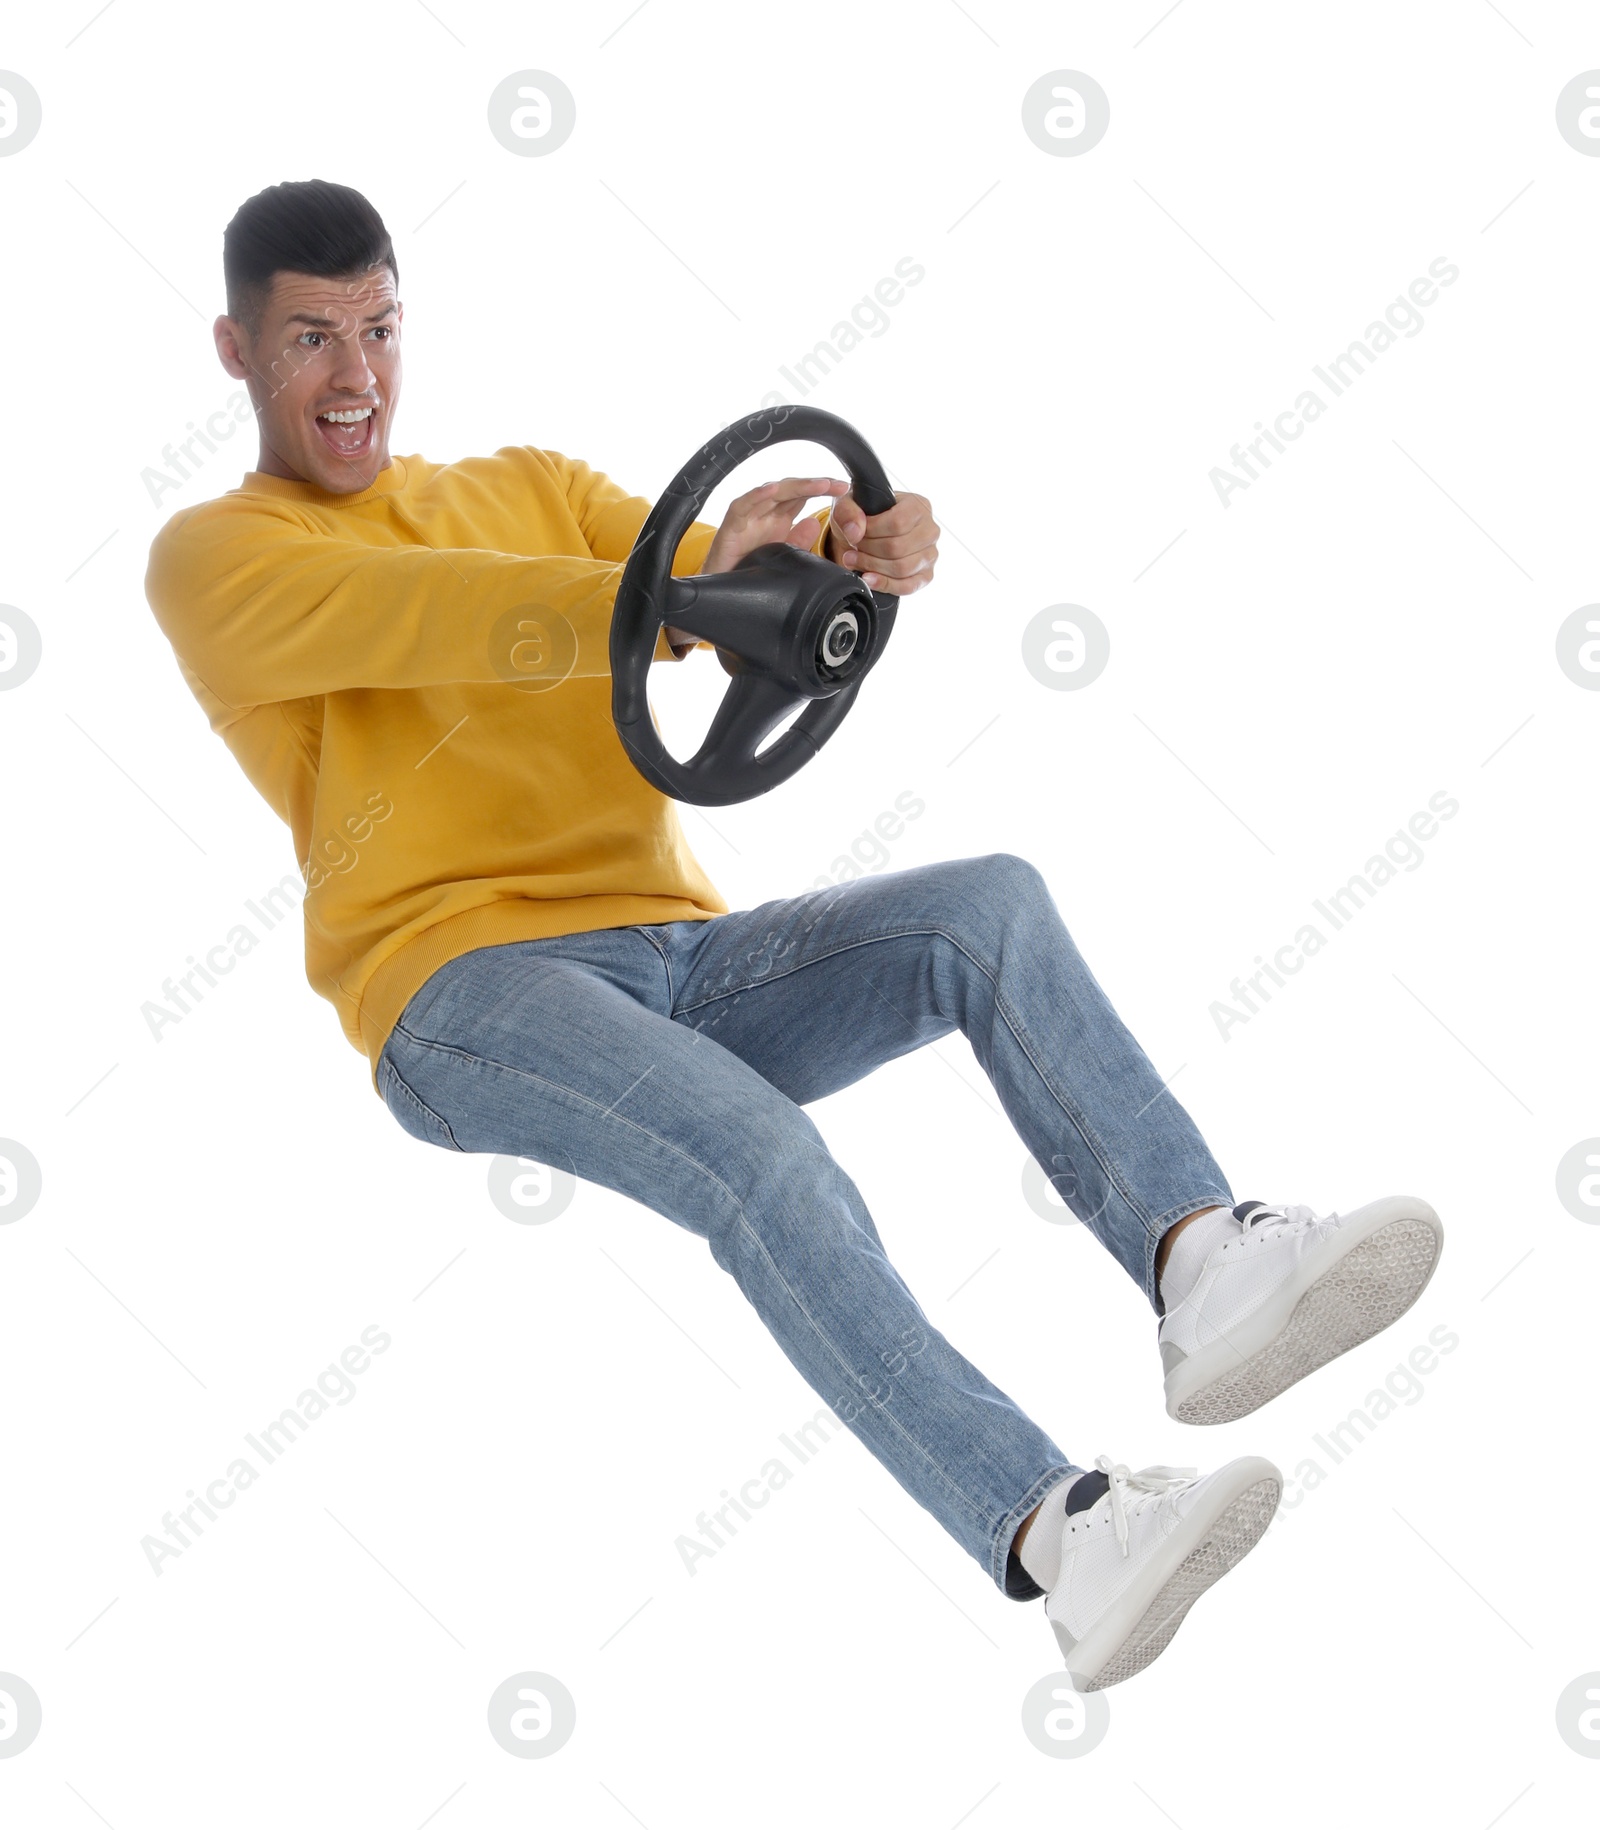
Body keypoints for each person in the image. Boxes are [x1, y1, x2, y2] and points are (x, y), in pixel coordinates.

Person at [145, 179, 1444, 1692]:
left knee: (988, 903)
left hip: (681, 956)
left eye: (377, 327)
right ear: (237, 352)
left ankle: (1202, 1259)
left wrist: (832, 550)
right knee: (763, 1155)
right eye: (311, 337)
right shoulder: (214, 556)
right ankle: (1058, 1530)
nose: (356, 372)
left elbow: (696, 578)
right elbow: (452, 613)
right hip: (460, 988)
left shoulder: (533, 480)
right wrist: (688, 592)